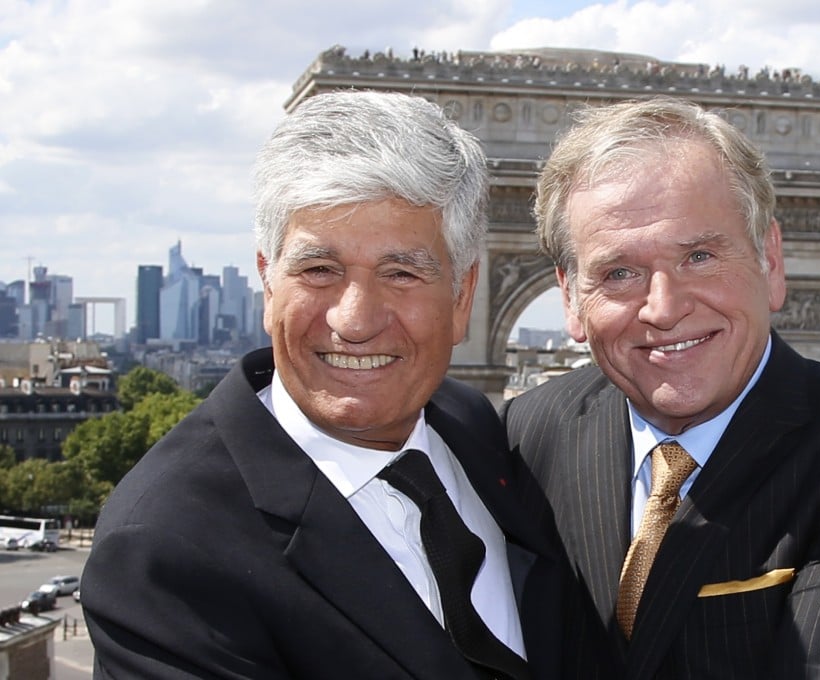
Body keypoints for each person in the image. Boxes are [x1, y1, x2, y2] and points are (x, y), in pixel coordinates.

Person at [82, 90, 612, 679]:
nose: (354, 321)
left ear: (463, 296)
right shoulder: (165, 550)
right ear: (268, 279)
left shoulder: (477, 426)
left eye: (402, 272)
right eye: (319, 270)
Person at [502, 97, 820, 678]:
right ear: (571, 298)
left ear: (771, 261)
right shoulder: (526, 431)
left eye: (700, 256)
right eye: (619, 273)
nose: (664, 307)